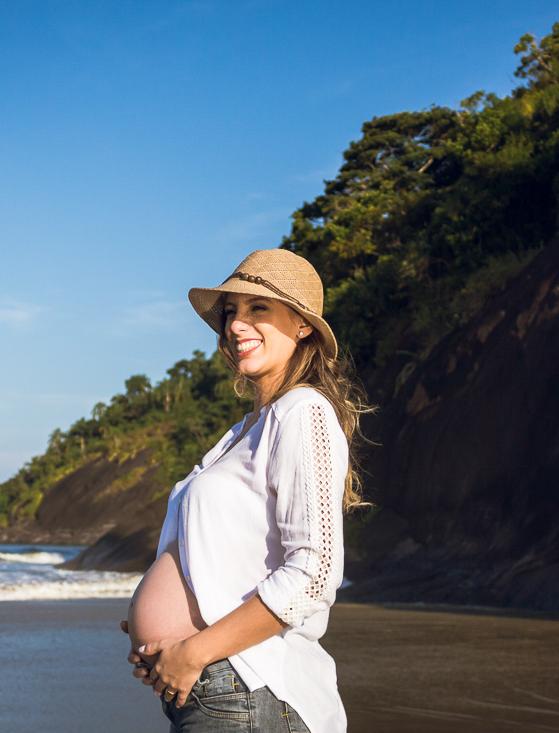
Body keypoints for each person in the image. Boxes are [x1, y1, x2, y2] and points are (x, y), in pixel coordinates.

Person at [121, 248, 369, 733]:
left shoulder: (303, 410)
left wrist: (193, 650)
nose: (236, 325)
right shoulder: (243, 432)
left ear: (302, 326)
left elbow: (314, 573)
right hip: (215, 690)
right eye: (231, 312)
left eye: (258, 309)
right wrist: (160, 634)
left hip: (249, 686)